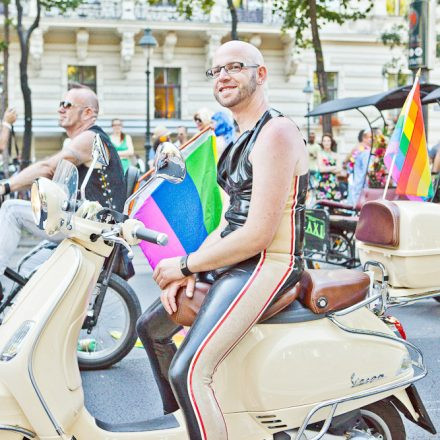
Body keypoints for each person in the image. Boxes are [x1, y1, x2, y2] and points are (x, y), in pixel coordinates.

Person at [136, 40, 308, 440]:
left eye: (235, 67)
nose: (223, 76)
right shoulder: (235, 141)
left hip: (271, 262)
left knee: (190, 371)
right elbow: (228, 224)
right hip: (238, 260)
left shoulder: (277, 132)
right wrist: (192, 266)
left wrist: (183, 265)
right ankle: (197, 425)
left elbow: (258, 234)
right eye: (216, 71)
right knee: (151, 327)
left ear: (260, 74)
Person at [0, 84, 125, 299]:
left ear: (88, 113)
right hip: (85, 225)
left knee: (11, 210)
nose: (60, 109)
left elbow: (47, 168)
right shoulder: (81, 141)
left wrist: (6, 187)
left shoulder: (91, 139)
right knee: (26, 271)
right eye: (60, 104)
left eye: (67, 105)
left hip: (93, 228)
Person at [345, 129, 372, 205]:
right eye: (370, 137)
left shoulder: (366, 148)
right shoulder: (361, 149)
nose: (372, 139)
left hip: (359, 178)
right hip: (358, 178)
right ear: (364, 138)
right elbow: (346, 161)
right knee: (356, 196)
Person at [315, 133, 344, 201]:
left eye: (328, 140)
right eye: (324, 141)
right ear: (322, 143)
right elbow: (321, 169)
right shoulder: (320, 154)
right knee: (322, 205)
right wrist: (334, 167)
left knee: (335, 205)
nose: (326, 143)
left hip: (334, 183)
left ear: (331, 142)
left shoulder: (336, 155)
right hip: (323, 183)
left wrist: (326, 168)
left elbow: (339, 169)